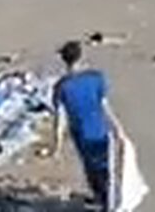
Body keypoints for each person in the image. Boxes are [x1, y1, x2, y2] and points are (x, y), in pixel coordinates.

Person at [46, 41, 114, 209]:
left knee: (91, 169)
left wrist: (57, 145)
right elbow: (105, 106)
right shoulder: (96, 78)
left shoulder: (61, 86)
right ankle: (109, 199)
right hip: (101, 129)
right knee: (106, 165)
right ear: (81, 57)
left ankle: (101, 199)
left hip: (81, 134)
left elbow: (60, 118)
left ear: (64, 61)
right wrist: (117, 129)